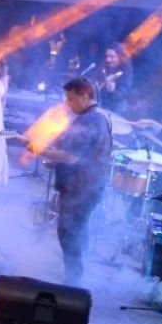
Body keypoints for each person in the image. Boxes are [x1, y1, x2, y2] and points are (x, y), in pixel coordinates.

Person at [30, 77, 111, 284]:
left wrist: (40, 149)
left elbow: (71, 156)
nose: (68, 104)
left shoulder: (89, 120)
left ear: (85, 96)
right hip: (89, 186)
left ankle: (73, 282)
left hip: (81, 188)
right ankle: (75, 275)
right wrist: (55, 160)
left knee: (69, 232)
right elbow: (83, 155)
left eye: (71, 99)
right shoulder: (99, 117)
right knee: (79, 230)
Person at [96, 42, 132, 115]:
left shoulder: (125, 69)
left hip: (114, 110)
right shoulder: (104, 66)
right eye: (106, 56)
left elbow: (123, 92)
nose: (108, 59)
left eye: (112, 57)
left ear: (120, 57)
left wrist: (112, 92)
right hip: (99, 105)